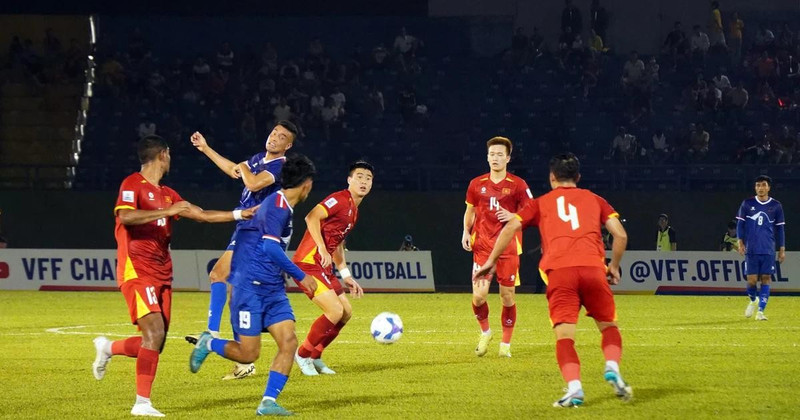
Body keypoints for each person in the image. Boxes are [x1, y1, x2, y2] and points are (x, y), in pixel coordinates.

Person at [91, 135, 257, 417]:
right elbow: (126, 218)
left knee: (156, 340)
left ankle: (108, 347)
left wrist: (240, 215)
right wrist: (169, 211)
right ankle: (142, 403)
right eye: (169, 154)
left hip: (163, 272)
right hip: (136, 268)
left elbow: (201, 214)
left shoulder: (168, 192)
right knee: (153, 333)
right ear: (163, 155)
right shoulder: (133, 183)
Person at [474, 153, 632, 407]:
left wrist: (490, 261)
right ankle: (612, 366)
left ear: (551, 178)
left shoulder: (540, 203)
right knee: (609, 327)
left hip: (560, 273)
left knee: (565, 338)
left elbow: (510, 227)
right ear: (578, 178)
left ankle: (575, 389)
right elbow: (620, 235)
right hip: (593, 269)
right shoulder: (595, 200)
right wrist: (613, 266)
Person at [189, 155, 318, 416]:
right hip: (250, 290)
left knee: (289, 342)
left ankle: (268, 402)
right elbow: (271, 247)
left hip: (272, 288)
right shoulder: (278, 206)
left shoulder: (278, 205)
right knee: (248, 355)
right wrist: (300, 275)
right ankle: (208, 344)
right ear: (306, 185)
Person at [188, 121, 298, 380]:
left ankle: (213, 335)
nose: (274, 138)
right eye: (273, 132)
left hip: (258, 230)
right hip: (245, 227)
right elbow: (234, 170)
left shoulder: (280, 166)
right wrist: (206, 149)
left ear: (288, 145)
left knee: (219, 275)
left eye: (281, 137)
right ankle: (243, 360)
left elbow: (255, 184)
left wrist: (246, 167)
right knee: (235, 290)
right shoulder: (258, 159)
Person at [291, 161, 373, 375]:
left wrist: (346, 275)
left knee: (345, 312)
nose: (364, 181)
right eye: (360, 176)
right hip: (308, 263)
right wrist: (320, 246)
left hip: (323, 266)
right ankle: (302, 354)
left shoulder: (354, 211)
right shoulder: (339, 199)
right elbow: (311, 217)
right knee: (334, 310)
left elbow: (338, 243)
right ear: (349, 180)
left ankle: (316, 356)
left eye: (368, 178)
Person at [461, 137, 534, 358]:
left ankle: (505, 344)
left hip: (508, 249)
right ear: (487, 157)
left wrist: (513, 215)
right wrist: (465, 231)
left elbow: (533, 211)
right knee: (479, 297)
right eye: (492, 154)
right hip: (482, 247)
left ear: (508, 158)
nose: (495, 158)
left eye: (500, 154)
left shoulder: (518, 185)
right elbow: (470, 210)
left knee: (507, 297)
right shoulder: (476, 184)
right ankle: (486, 332)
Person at [736, 175, 785, 321]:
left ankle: (761, 312)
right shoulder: (747, 204)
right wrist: (740, 242)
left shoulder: (776, 205)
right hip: (751, 248)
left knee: (766, 279)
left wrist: (782, 248)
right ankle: (753, 300)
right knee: (751, 281)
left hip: (768, 249)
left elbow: (780, 229)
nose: (760, 188)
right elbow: (740, 225)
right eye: (758, 185)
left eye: (763, 185)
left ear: (768, 187)